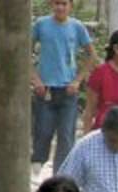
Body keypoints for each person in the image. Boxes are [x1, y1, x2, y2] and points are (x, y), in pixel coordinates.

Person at [31, 0, 95, 177]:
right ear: (51, 4)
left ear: (70, 6)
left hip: (68, 89)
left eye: (64, 3)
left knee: (66, 135)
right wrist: (35, 79)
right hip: (46, 88)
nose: (60, 7)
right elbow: (24, 51)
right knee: (43, 130)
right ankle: (38, 161)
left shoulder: (77, 27)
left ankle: (60, 174)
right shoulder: (41, 24)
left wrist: (78, 80)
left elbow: (91, 55)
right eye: (57, 3)